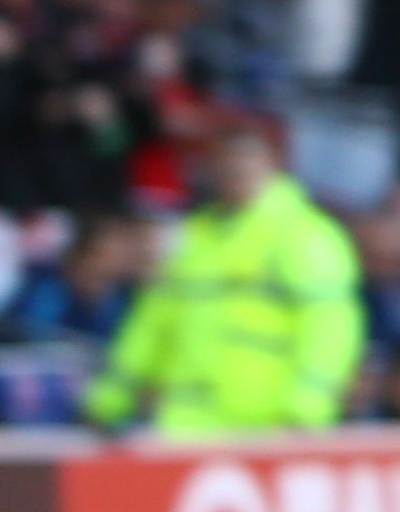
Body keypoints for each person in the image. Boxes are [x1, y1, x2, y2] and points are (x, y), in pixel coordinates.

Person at [83, 120, 364, 434]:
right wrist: (110, 398)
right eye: (226, 160)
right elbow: (151, 325)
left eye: (245, 158)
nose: (235, 169)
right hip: (186, 431)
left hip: (269, 429)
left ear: (272, 163)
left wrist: (308, 408)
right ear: (210, 167)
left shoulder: (305, 235)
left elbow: (329, 327)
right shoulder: (190, 239)